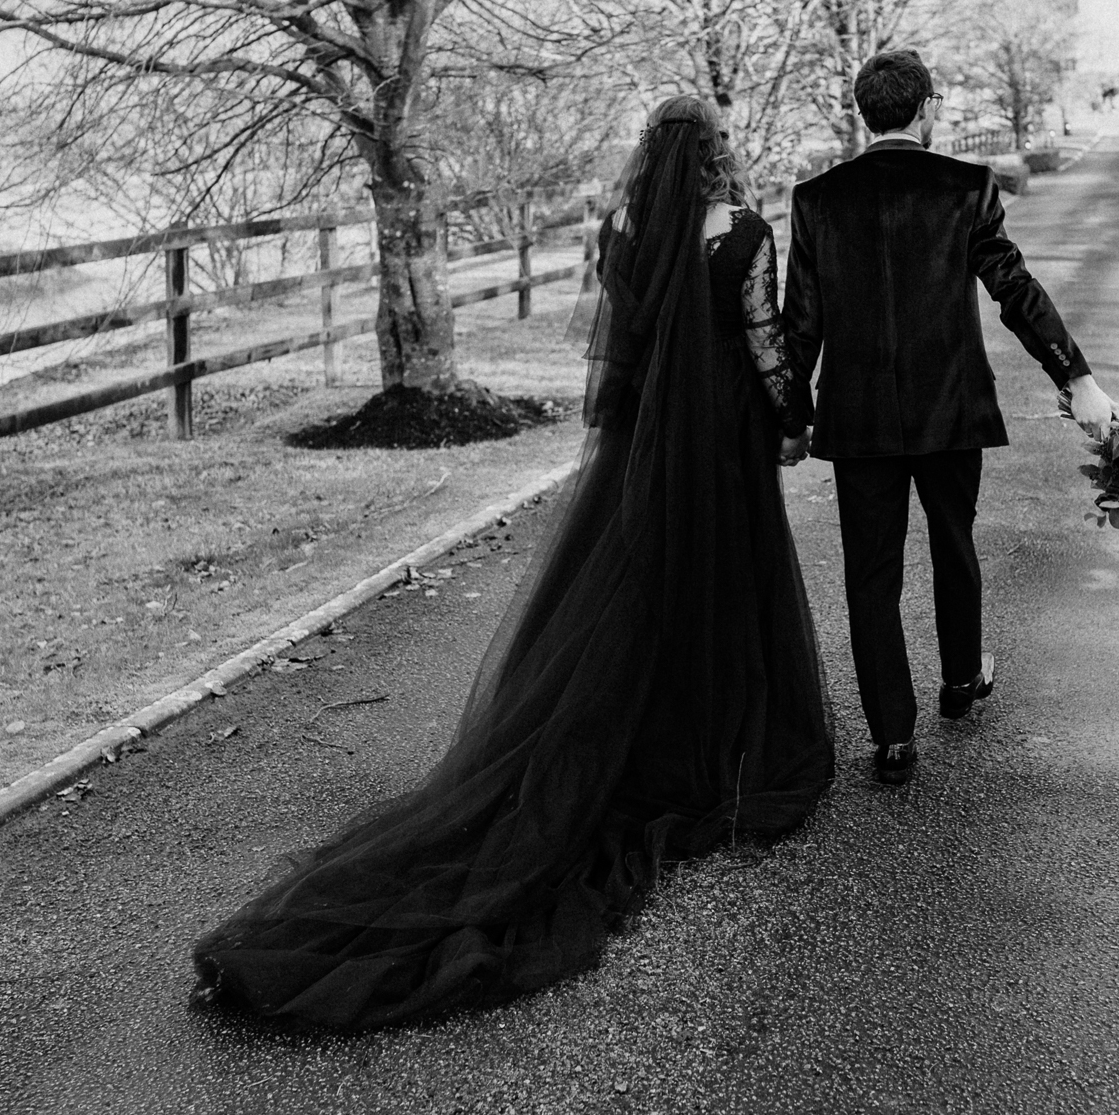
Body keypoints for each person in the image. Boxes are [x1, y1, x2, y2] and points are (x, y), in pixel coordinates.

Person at [193, 95, 832, 1032]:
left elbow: (624, 340)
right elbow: (765, 340)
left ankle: (652, 736)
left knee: (635, 594)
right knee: (726, 585)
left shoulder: (622, 231)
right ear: (716, 156)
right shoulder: (740, 232)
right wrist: (793, 420)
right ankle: (717, 750)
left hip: (644, 447)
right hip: (724, 438)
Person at [783, 49, 1115, 787]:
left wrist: (790, 415)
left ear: (862, 112)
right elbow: (1013, 288)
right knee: (953, 541)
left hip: (859, 417)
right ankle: (962, 681)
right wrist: (1075, 375)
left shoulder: (817, 200)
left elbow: (798, 325)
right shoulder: (966, 185)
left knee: (871, 571)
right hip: (950, 408)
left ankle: (892, 735)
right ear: (926, 108)